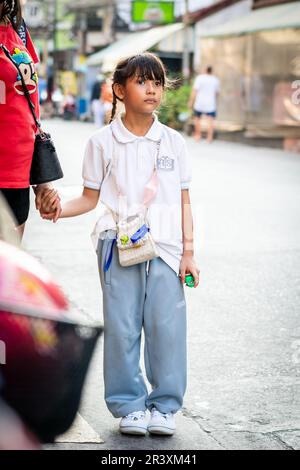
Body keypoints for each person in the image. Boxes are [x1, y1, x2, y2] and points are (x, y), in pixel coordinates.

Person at [40, 52, 200, 437]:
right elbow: (89, 198)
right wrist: (58, 209)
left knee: (166, 326)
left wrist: (189, 252)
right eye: (143, 82)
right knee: (123, 326)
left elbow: (184, 199)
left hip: (166, 248)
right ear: (119, 90)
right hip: (117, 243)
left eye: (158, 83)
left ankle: (164, 405)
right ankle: (129, 405)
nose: (152, 89)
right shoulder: (102, 142)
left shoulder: (173, 142)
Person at [0, 0, 60, 238]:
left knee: (7, 269)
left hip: (17, 173)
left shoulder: (18, 32)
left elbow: (29, 107)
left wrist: (41, 180)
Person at [189, 65, 220, 143]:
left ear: (205, 70)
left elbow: (195, 91)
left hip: (199, 102)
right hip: (210, 103)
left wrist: (191, 101)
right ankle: (209, 138)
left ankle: (197, 136)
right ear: (211, 71)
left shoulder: (200, 78)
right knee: (210, 121)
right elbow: (217, 93)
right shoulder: (215, 80)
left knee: (197, 119)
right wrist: (216, 102)